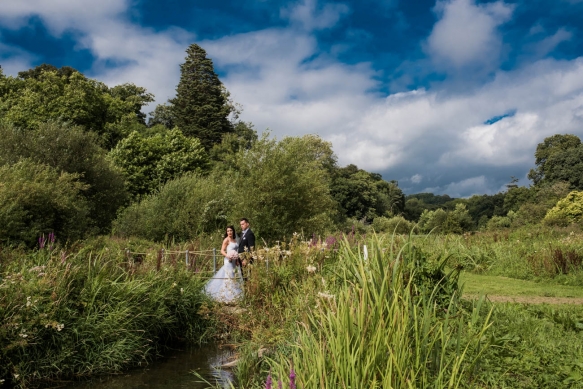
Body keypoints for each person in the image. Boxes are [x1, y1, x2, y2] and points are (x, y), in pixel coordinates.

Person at [204, 225, 244, 303]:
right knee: (229, 277)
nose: (229, 232)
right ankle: (227, 297)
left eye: (231, 230)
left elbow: (236, 250)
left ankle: (233, 295)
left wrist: (236, 260)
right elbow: (222, 250)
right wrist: (228, 255)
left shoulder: (235, 240)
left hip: (234, 262)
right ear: (226, 232)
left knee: (233, 277)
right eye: (228, 231)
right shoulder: (226, 240)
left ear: (233, 231)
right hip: (228, 261)